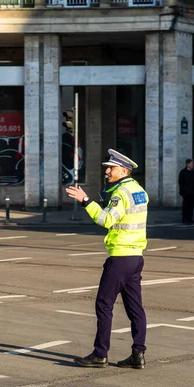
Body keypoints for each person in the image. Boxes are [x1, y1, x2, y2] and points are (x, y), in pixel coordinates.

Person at [66, 149, 148, 370]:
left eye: (111, 168)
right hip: (136, 257)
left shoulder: (121, 193)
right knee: (135, 309)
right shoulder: (139, 190)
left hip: (120, 257)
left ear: (124, 170)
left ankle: (100, 354)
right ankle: (138, 354)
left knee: (104, 305)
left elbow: (107, 220)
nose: (107, 171)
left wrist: (86, 201)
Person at [178, 159, 194, 224]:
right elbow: (181, 182)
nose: (193, 165)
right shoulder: (183, 172)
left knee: (191, 206)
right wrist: (184, 191)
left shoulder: (192, 172)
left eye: (193, 164)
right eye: (191, 164)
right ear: (188, 164)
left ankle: (190, 219)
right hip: (186, 193)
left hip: (192, 192)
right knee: (186, 206)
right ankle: (185, 219)